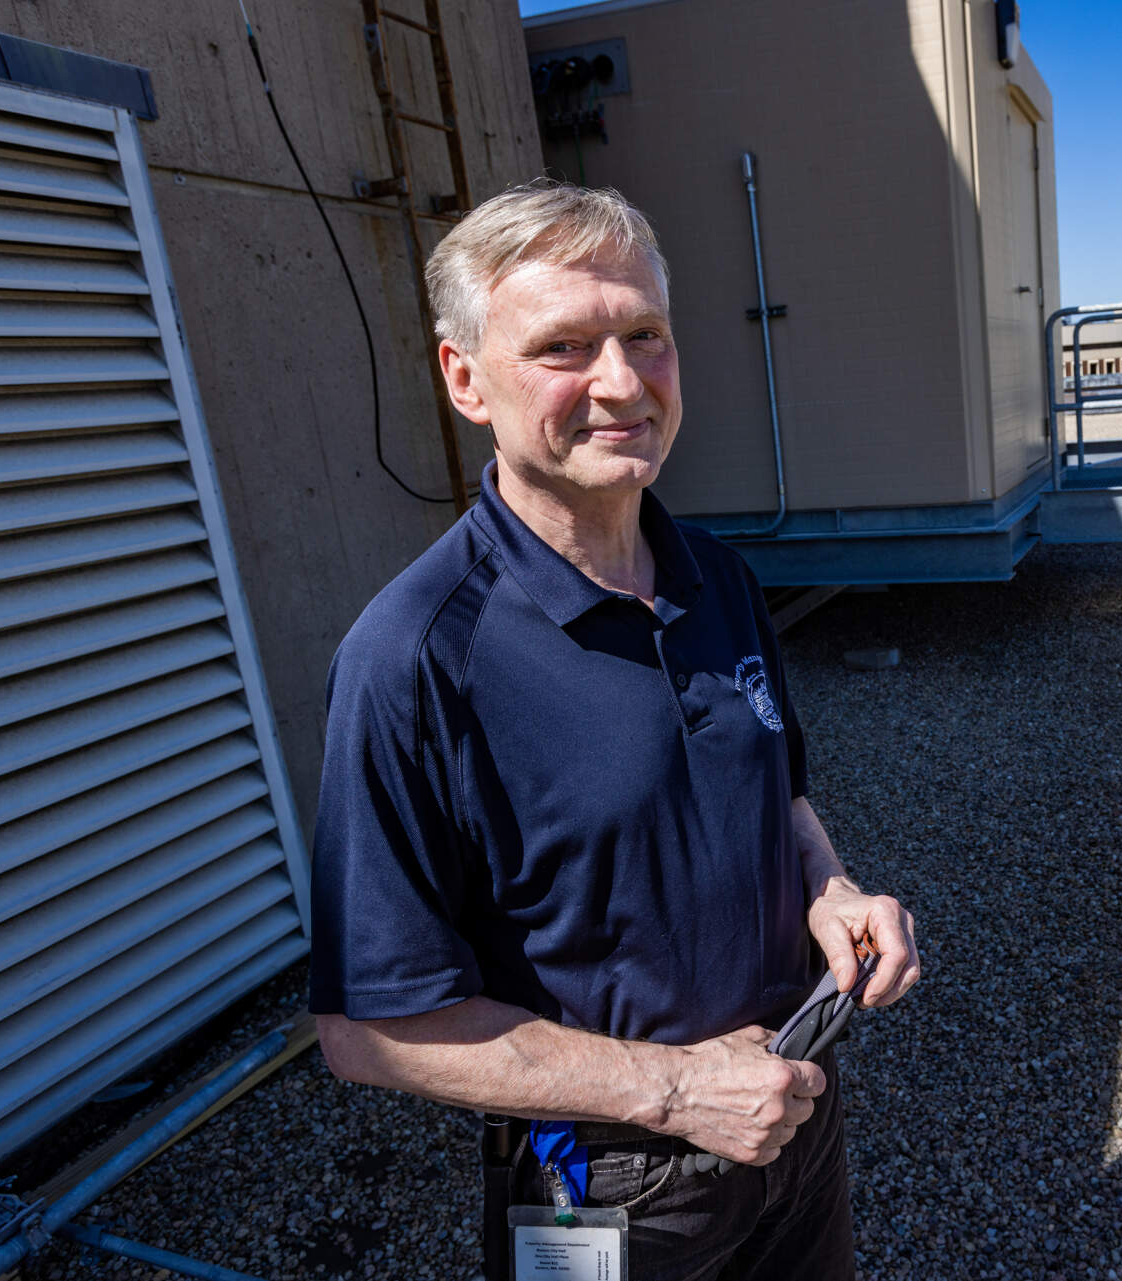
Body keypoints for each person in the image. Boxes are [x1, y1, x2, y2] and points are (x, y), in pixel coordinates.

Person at [307, 180, 920, 1280]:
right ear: (466, 381)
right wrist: (678, 1090)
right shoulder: (414, 658)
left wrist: (834, 895)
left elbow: (777, 798)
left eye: (646, 334)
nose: (623, 382)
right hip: (600, 1187)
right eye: (565, 347)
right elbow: (368, 1029)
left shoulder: (720, 578)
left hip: (793, 1112)